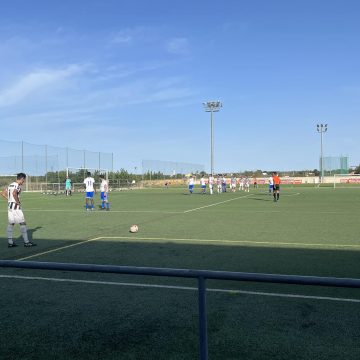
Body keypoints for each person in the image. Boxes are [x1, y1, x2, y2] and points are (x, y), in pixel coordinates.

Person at [1, 173, 36, 247]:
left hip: (10, 207)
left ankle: (10, 243)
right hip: (16, 207)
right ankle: (26, 242)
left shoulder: (11, 185)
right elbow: (14, 193)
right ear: (22, 179)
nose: (23, 182)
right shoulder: (17, 186)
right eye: (24, 180)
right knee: (23, 223)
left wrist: (9, 199)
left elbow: (3, 193)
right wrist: (18, 202)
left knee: (11, 223)